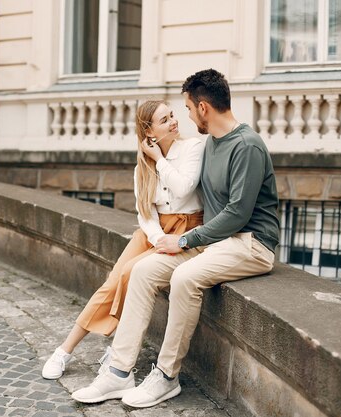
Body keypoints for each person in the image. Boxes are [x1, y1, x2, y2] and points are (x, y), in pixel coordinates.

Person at [71, 68, 280, 408]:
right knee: (141, 271)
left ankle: (167, 376)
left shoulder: (247, 146)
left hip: (251, 243)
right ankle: (119, 373)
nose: (184, 115)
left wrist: (184, 241)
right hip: (215, 242)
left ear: (203, 108)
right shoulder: (210, 143)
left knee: (184, 277)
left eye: (186, 108)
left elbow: (238, 215)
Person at [42, 100, 206, 380]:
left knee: (132, 273)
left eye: (172, 115)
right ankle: (64, 350)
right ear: (149, 131)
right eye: (164, 120)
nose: (174, 122)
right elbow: (146, 212)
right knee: (112, 282)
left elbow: (183, 186)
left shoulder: (194, 148)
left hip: (185, 231)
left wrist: (160, 160)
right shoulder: (141, 167)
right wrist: (156, 238)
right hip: (154, 233)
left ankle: (118, 348)